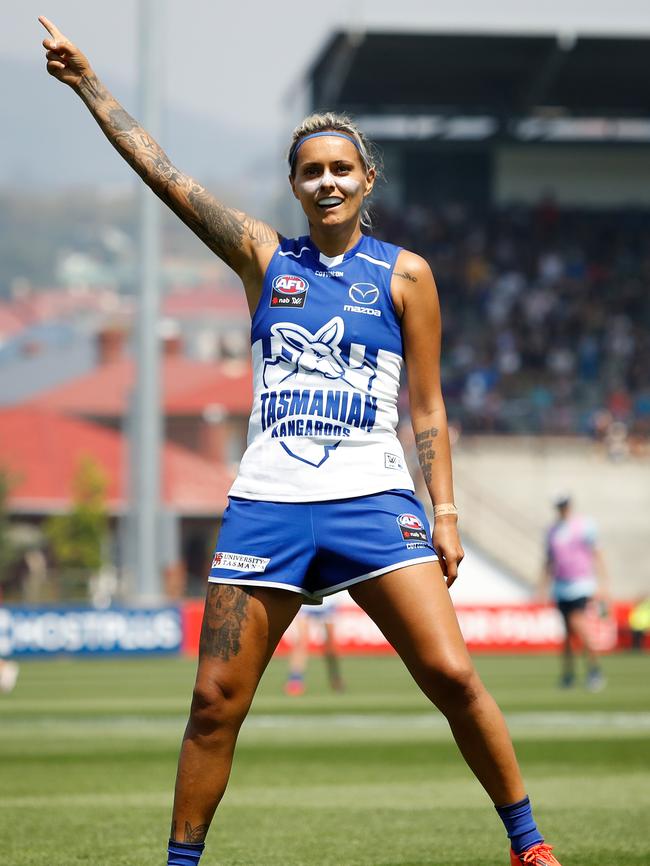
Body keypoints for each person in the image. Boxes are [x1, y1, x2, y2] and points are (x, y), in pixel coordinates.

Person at [40, 16, 563, 866]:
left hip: (374, 502)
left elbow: (426, 410)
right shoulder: (261, 258)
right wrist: (90, 87)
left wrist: (449, 513)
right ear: (293, 184)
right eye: (311, 171)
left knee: (454, 677)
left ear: (366, 180)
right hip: (269, 506)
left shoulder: (407, 275)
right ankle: (181, 862)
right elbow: (165, 177)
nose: (327, 182)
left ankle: (529, 846)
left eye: (341, 169)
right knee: (214, 702)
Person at [540, 494, 610, 691]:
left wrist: (603, 583)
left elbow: (596, 553)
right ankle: (568, 675)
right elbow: (549, 560)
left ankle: (595, 670)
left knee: (577, 623)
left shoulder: (584, 525)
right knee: (568, 633)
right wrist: (543, 586)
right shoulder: (552, 530)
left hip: (581, 584)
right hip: (561, 586)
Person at [285, 595, 345, 696]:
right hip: (306, 599)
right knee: (301, 640)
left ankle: (335, 677)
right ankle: (295, 680)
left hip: (328, 599)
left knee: (330, 645)